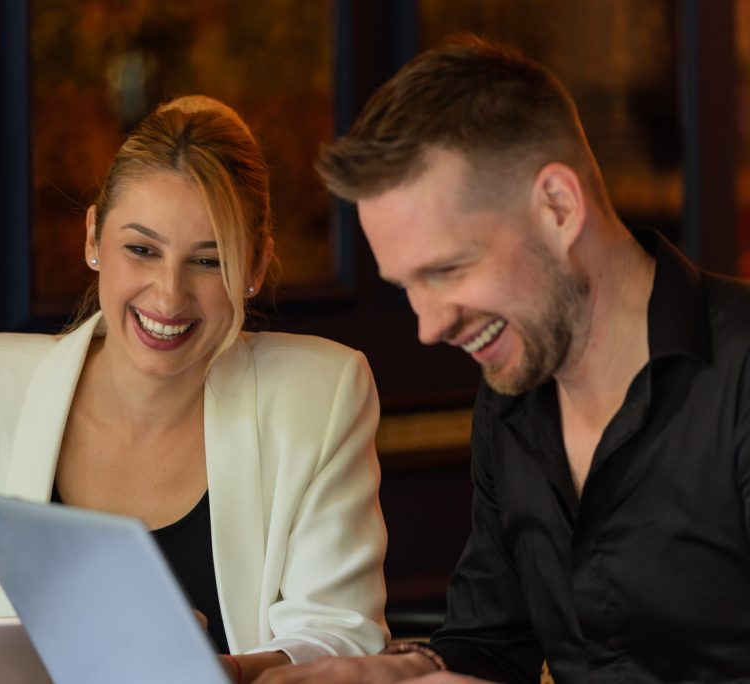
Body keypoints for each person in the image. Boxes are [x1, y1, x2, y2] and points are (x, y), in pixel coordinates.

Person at [0, 95, 389, 683]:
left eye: (208, 262)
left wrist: (218, 673)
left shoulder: (321, 395)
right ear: (92, 237)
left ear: (256, 267)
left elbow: (341, 637)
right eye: (141, 250)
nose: (168, 296)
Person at [260, 35, 750, 684]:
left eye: (449, 269)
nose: (429, 327)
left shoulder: (741, 376)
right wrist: (392, 673)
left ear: (558, 207)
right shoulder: (510, 397)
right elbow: (489, 643)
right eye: (407, 286)